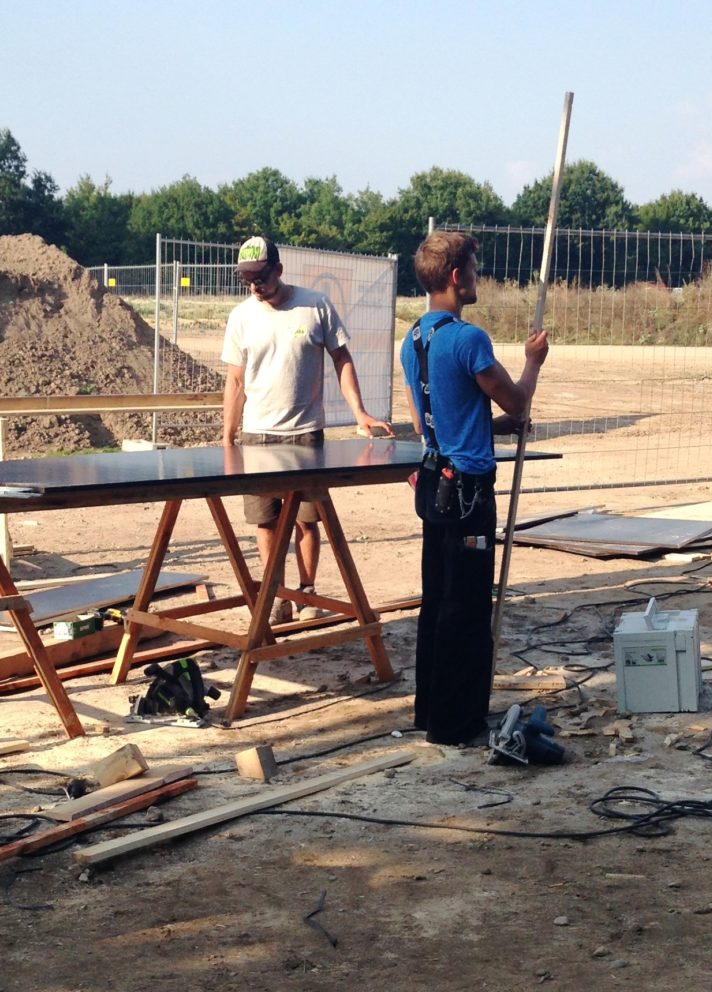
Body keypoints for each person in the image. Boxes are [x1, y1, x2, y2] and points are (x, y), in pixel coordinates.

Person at [400, 230, 549, 747]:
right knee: (465, 607)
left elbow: (436, 418)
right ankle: (457, 722)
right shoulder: (468, 340)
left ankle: (431, 710)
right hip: (468, 494)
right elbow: (516, 399)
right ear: (456, 276)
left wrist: (498, 428)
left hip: (434, 483)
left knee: (438, 597)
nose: (478, 276)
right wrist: (533, 362)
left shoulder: (414, 339)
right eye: (474, 268)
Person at [222, 236, 395, 624]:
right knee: (265, 521)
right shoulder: (241, 317)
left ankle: (306, 591)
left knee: (306, 519)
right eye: (247, 279)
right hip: (257, 439)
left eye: (261, 277)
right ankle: (276, 596)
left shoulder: (315, 305)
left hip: (305, 436)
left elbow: (342, 358)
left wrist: (360, 413)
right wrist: (228, 435)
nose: (255, 286)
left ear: (279, 270)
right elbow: (234, 381)